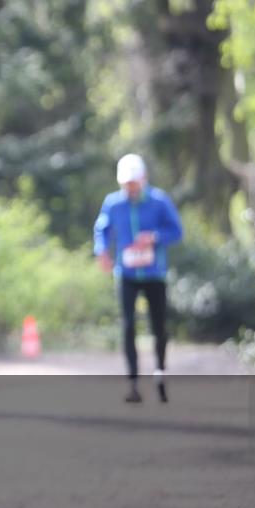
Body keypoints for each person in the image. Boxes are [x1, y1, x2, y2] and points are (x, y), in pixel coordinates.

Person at [93, 154, 183, 403]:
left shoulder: (159, 201)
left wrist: (154, 237)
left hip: (154, 273)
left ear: (143, 179)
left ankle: (160, 373)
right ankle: (132, 382)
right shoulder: (113, 203)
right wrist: (101, 250)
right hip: (127, 274)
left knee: (159, 326)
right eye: (126, 184)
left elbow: (176, 231)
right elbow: (102, 228)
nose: (130, 188)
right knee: (128, 325)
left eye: (134, 183)